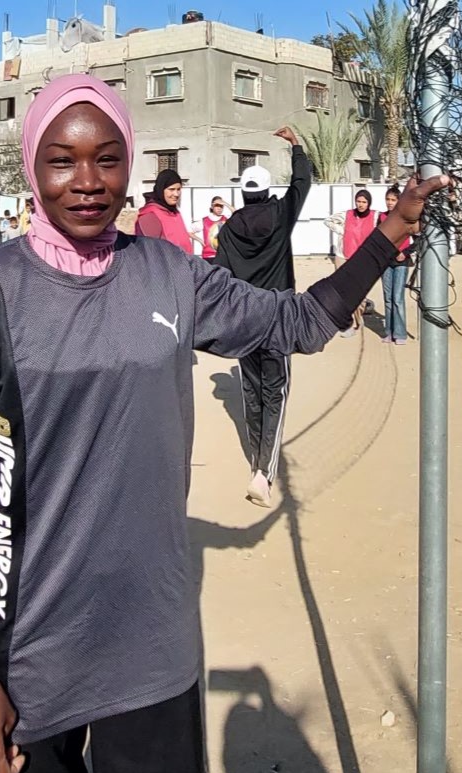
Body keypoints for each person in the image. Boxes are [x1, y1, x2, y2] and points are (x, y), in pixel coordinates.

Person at [0, 73, 445, 773]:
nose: (86, 182)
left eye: (106, 159)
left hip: (149, 646)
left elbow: (292, 323)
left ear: (130, 166)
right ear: (30, 167)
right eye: (61, 160)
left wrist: (385, 240)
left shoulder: (170, 276)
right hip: (25, 651)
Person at [212, 125, 312, 507]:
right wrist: (296, 144)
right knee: (276, 392)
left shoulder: (230, 227)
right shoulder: (281, 215)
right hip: (278, 316)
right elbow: (302, 183)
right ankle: (264, 472)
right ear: (268, 192)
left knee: (251, 393)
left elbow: (218, 275)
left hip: (243, 321)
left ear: (243, 193)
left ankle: (257, 461)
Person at [377, 185, 414, 344]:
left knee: (397, 298)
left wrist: (404, 253)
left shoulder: (406, 217)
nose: (390, 203)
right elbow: (377, 238)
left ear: (399, 201)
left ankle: (400, 334)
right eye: (388, 199)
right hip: (386, 262)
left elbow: (418, 240)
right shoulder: (381, 217)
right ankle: (389, 332)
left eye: (393, 200)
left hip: (401, 262)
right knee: (387, 298)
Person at [338, 189, 378, 335]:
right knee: (344, 292)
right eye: (358, 201)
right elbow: (328, 220)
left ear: (368, 203)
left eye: (364, 202)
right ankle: (349, 323)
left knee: (360, 293)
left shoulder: (375, 217)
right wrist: (342, 231)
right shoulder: (347, 214)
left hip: (363, 258)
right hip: (345, 256)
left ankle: (358, 318)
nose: (360, 205)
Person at [136, 169, 193, 252]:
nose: (176, 194)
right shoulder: (150, 216)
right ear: (161, 189)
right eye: (171, 189)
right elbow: (150, 254)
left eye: (178, 189)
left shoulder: (175, 212)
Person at [196, 196, 231, 261]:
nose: (219, 208)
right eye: (217, 205)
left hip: (223, 255)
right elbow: (189, 232)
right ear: (212, 207)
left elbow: (238, 214)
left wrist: (226, 203)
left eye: (221, 206)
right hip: (208, 256)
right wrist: (200, 240)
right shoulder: (204, 220)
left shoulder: (226, 218)